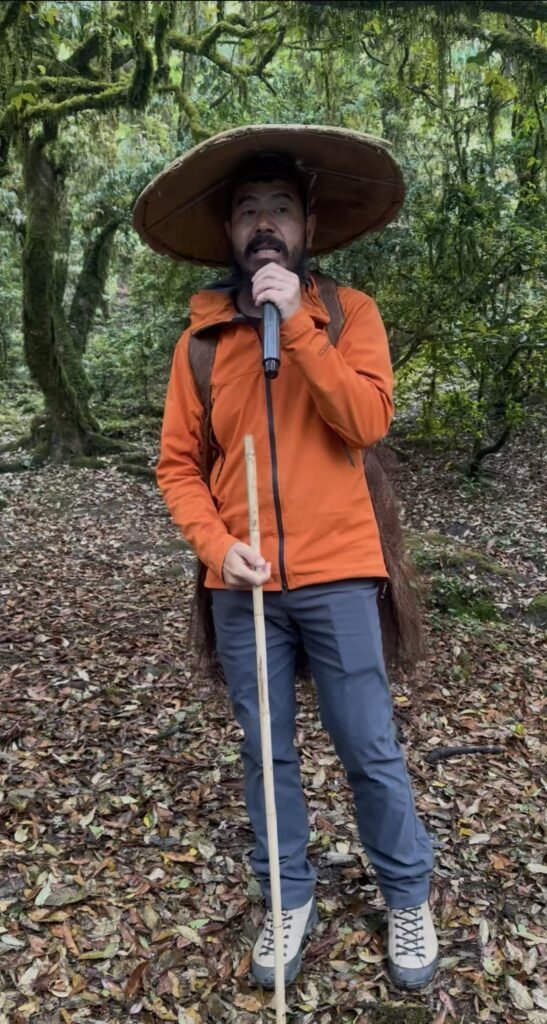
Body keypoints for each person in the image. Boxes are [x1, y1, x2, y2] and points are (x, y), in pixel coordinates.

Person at [133, 125, 438, 992]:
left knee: (367, 746)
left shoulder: (349, 315)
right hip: (243, 584)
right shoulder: (200, 342)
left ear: (306, 226)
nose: (262, 224)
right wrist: (214, 546)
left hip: (340, 569)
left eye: (278, 209)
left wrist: (298, 325)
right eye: (246, 211)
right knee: (265, 754)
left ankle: (406, 894)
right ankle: (287, 895)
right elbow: (177, 466)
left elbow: (365, 422)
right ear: (229, 232)